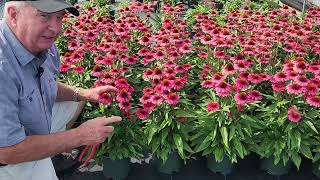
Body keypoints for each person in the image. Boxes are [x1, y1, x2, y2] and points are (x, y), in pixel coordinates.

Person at [0, 0, 122, 179]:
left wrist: (83, 93)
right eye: (44, 16)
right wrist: (79, 136)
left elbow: (43, 83)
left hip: (28, 124)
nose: (56, 29)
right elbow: (7, 151)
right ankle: (40, 155)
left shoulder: (41, 44)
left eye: (59, 17)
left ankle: (47, 149)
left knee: (76, 101)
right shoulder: (3, 68)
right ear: (13, 15)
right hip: (8, 159)